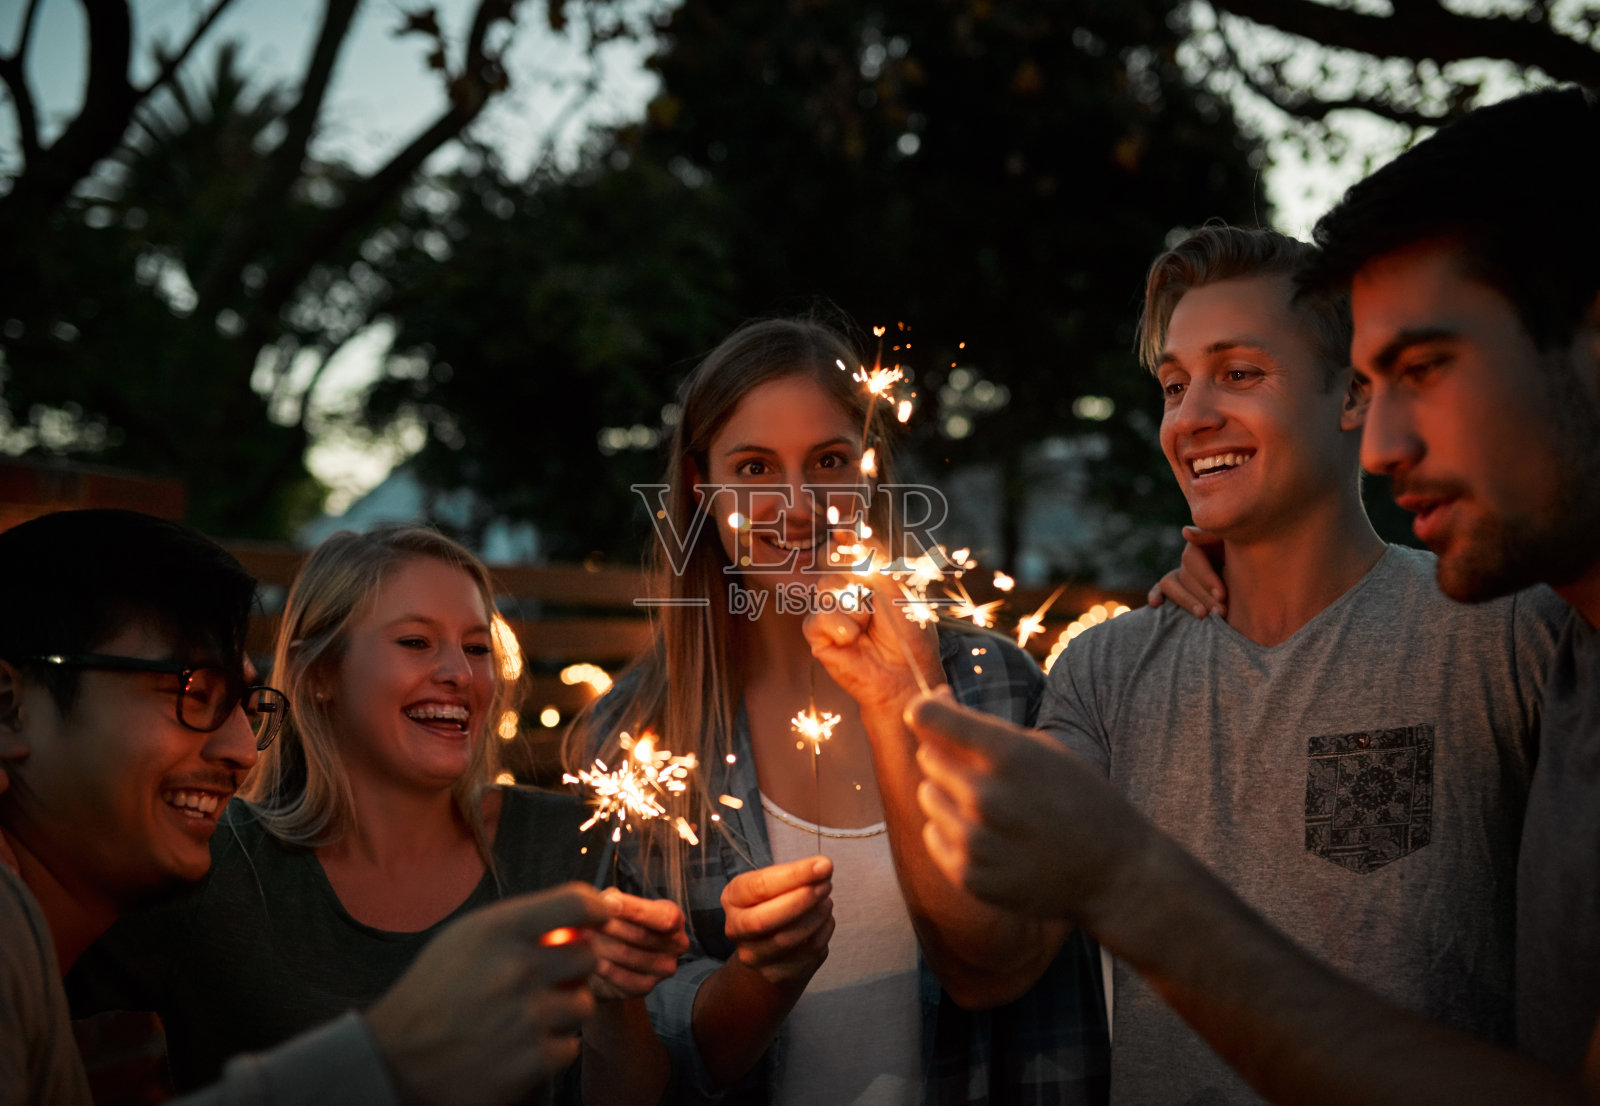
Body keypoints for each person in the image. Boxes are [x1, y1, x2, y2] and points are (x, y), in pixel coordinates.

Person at [907, 85, 1600, 1104]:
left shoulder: (1517, 633)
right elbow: (988, 954)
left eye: (1239, 371)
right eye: (1174, 382)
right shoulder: (1112, 663)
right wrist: (894, 687)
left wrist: (1128, 880)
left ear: (1346, 396)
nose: (1192, 416)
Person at [571, 316, 1108, 1104]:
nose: (796, 505)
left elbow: (1000, 966)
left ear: (869, 471)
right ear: (699, 486)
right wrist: (759, 978)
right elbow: (662, 1061)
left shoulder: (996, 688)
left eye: (827, 460)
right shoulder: (635, 741)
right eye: (753, 467)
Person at [0, 508, 612, 1106]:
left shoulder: (572, 842)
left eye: (478, 647)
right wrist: (385, 1064)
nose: (241, 749)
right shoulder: (215, 868)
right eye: (191, 693)